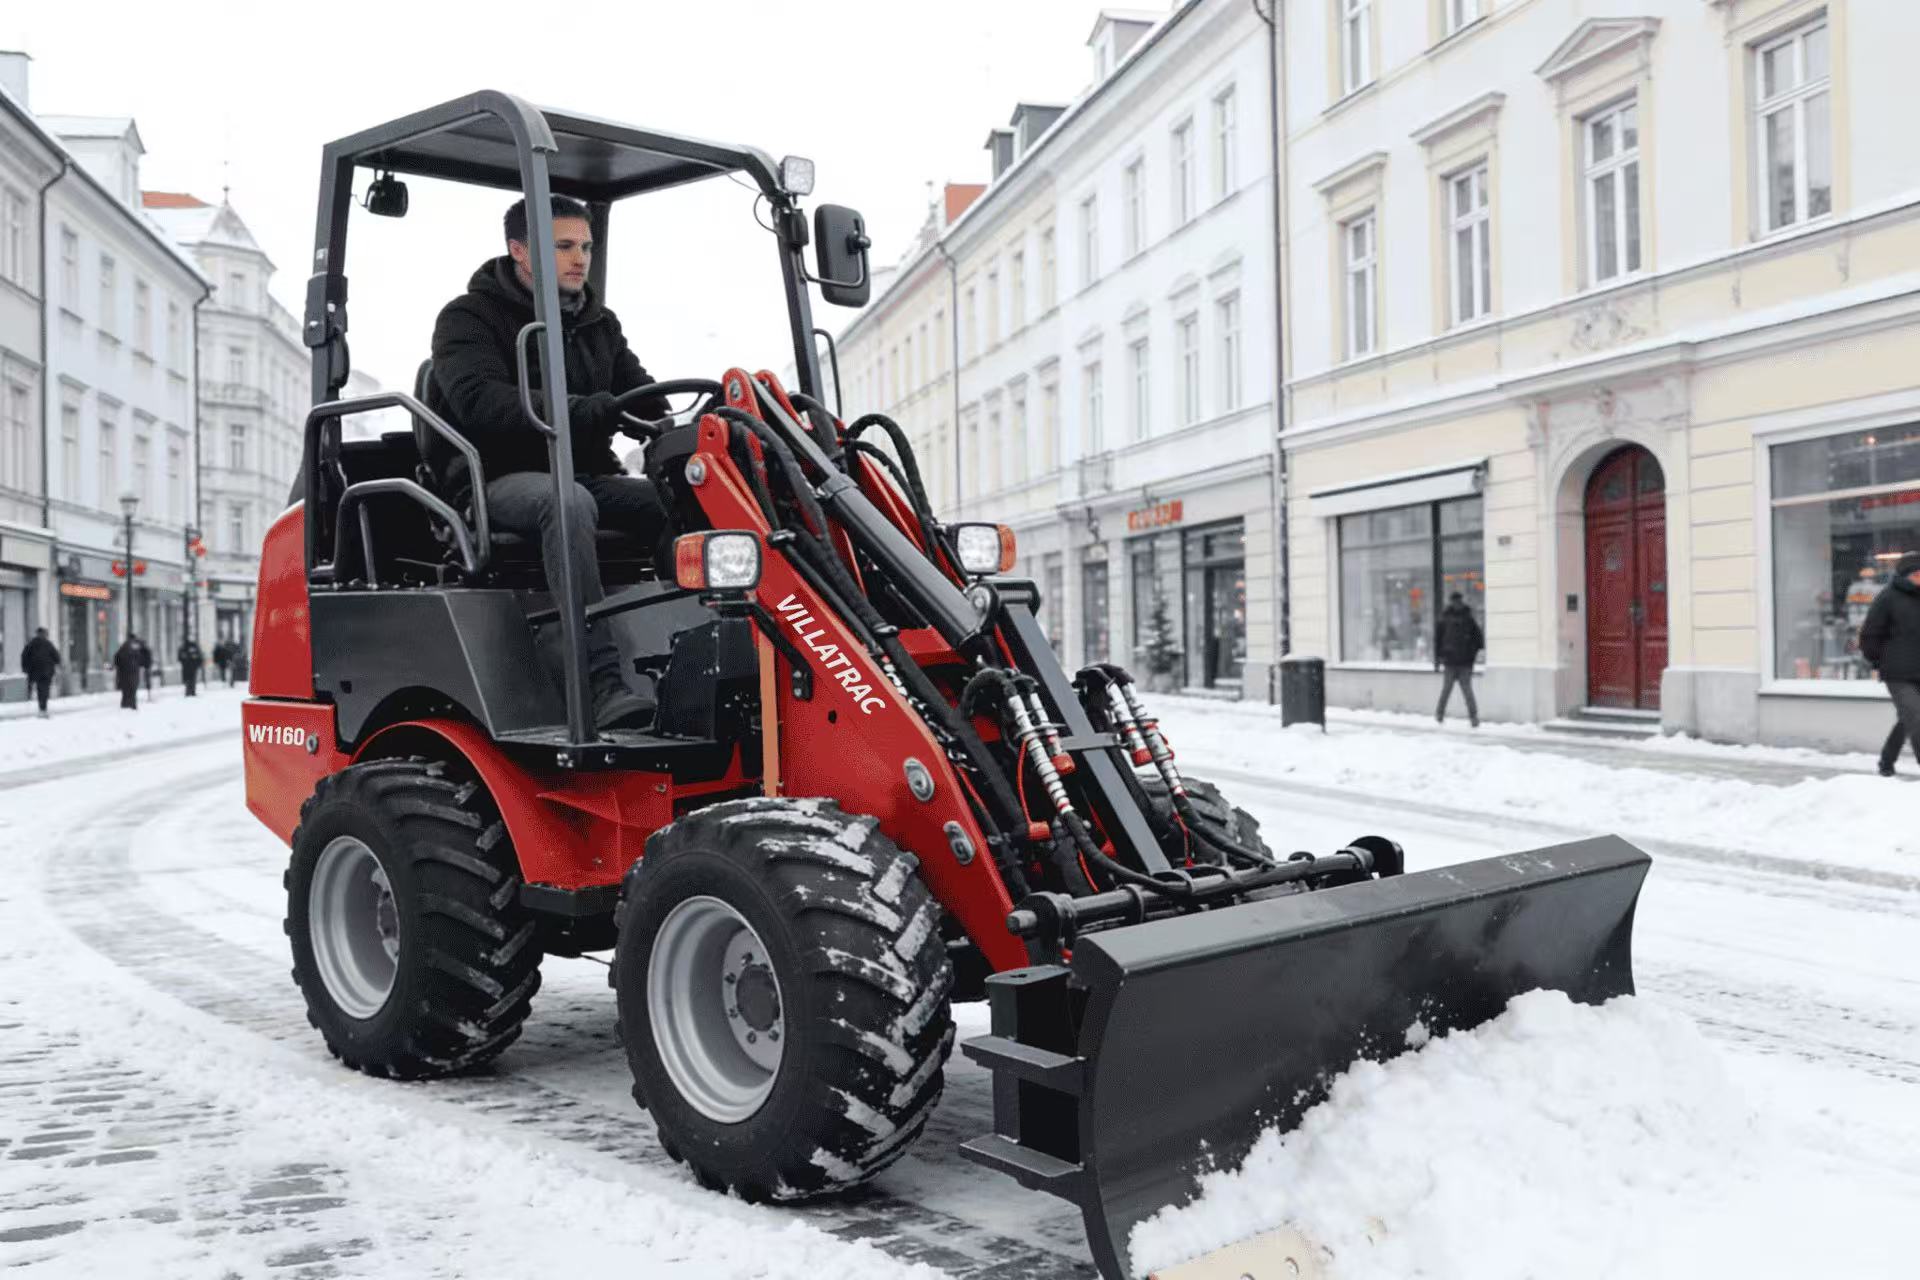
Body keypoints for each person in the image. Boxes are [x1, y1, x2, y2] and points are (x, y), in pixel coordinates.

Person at [425, 193, 669, 731]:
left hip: (582, 471)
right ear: (520, 249)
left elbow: (639, 393)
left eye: (584, 245)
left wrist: (679, 426)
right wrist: (583, 411)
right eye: (563, 246)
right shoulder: (468, 318)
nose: (579, 258)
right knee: (566, 501)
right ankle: (600, 683)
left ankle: (693, 656)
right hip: (498, 478)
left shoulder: (597, 322)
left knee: (671, 496)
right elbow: (480, 402)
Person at [1860, 551, 1920, 778]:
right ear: (1906, 575)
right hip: (1898, 672)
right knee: (1916, 717)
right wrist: (1878, 660)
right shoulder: (1888, 598)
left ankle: (1886, 761)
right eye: (1917, 573)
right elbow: (1870, 634)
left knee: (1908, 719)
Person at [1434, 591, 1484, 728]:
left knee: (1453, 690)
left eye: (1457, 601)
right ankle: (1471, 717)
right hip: (1458, 662)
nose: (1456, 604)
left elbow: (1478, 639)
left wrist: (1440, 657)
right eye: (1455, 601)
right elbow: (1479, 640)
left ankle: (1441, 714)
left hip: (1458, 662)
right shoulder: (1463, 617)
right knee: (1462, 691)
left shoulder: (1449, 618)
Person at [20, 626, 60, 718]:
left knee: (39, 689)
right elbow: (56, 657)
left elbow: (24, 656)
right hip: (46, 672)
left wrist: (25, 668)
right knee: (44, 690)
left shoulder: (31, 644)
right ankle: (43, 708)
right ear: (44, 634)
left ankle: (41, 708)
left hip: (35, 672)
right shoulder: (48, 644)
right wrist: (55, 663)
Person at [114, 633, 144, 710]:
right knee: (132, 688)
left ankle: (125, 703)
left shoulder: (124, 647)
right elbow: (141, 658)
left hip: (125, 672)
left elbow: (117, 658)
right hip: (134, 672)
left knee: (126, 689)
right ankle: (132, 704)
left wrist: (120, 667)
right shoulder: (136, 647)